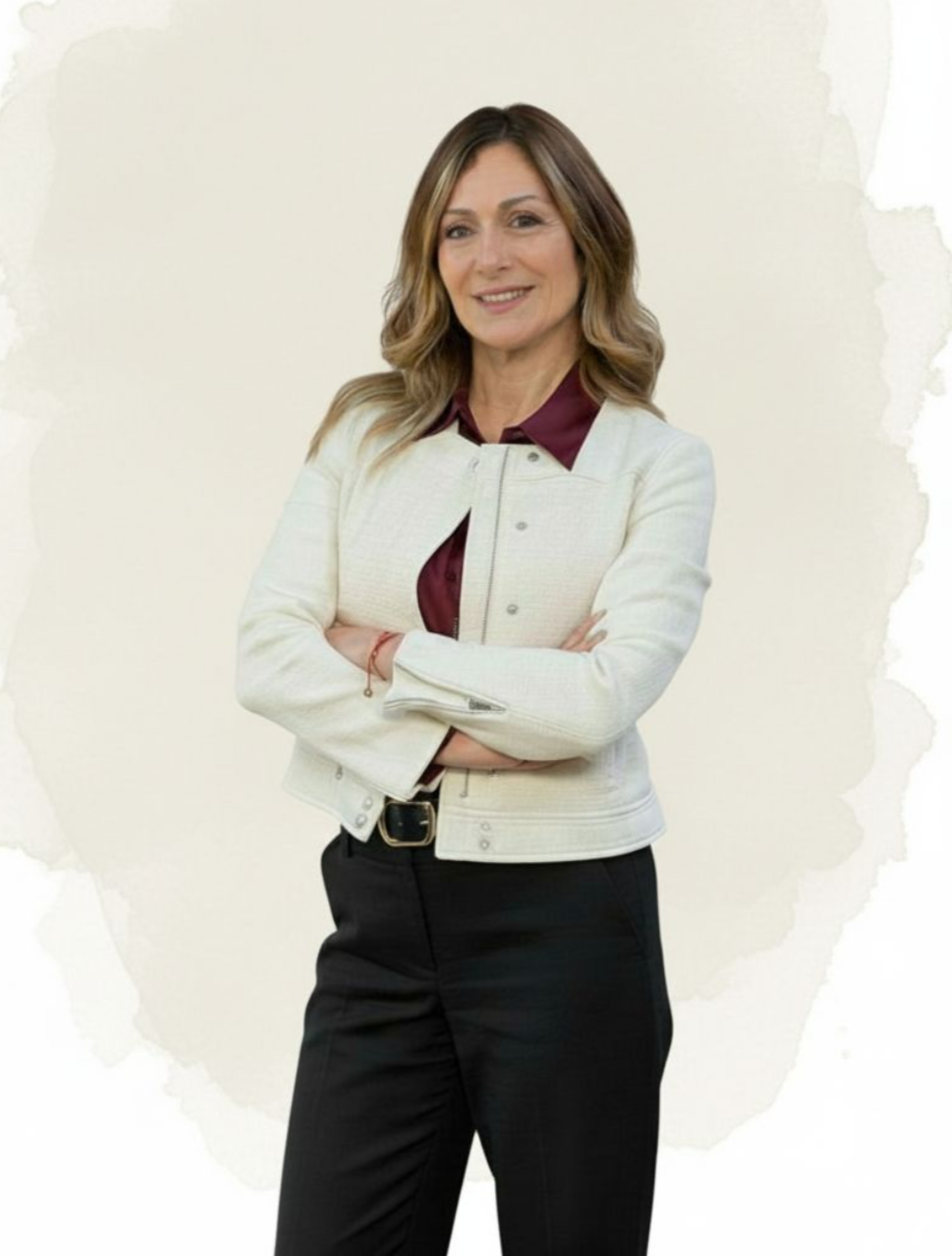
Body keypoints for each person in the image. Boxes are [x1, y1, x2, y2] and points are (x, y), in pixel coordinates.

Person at [236, 102, 716, 1256]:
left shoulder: (657, 465)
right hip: (379, 907)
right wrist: (472, 724)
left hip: (568, 922)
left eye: (522, 220)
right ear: (429, 257)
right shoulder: (367, 432)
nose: (489, 257)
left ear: (586, 239)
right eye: (457, 230)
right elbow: (266, 652)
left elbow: (598, 702)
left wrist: (391, 656)